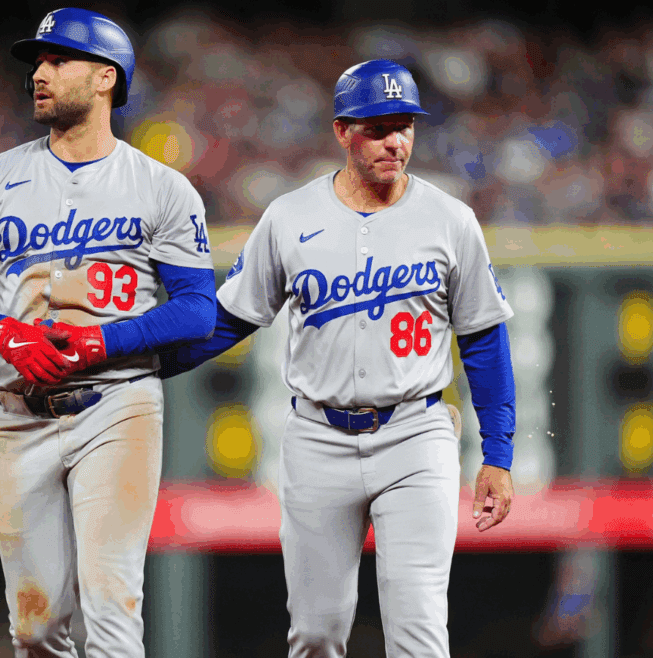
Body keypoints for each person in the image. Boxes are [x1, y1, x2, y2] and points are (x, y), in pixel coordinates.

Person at [160, 59, 516, 657]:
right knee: (317, 633)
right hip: (318, 437)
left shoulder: (451, 220)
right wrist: (143, 363)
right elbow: (232, 318)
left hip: (415, 432)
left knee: (421, 629)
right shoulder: (290, 217)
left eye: (404, 125)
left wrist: (498, 454)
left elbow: (483, 338)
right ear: (342, 132)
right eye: (378, 128)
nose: (395, 141)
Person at [0, 8, 216, 657]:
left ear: (107, 77)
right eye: (37, 62)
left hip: (118, 405)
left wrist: (101, 343)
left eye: (59, 60)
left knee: (112, 608)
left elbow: (198, 309)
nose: (40, 74)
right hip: (20, 410)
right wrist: (6, 334)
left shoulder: (161, 186)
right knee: (36, 627)